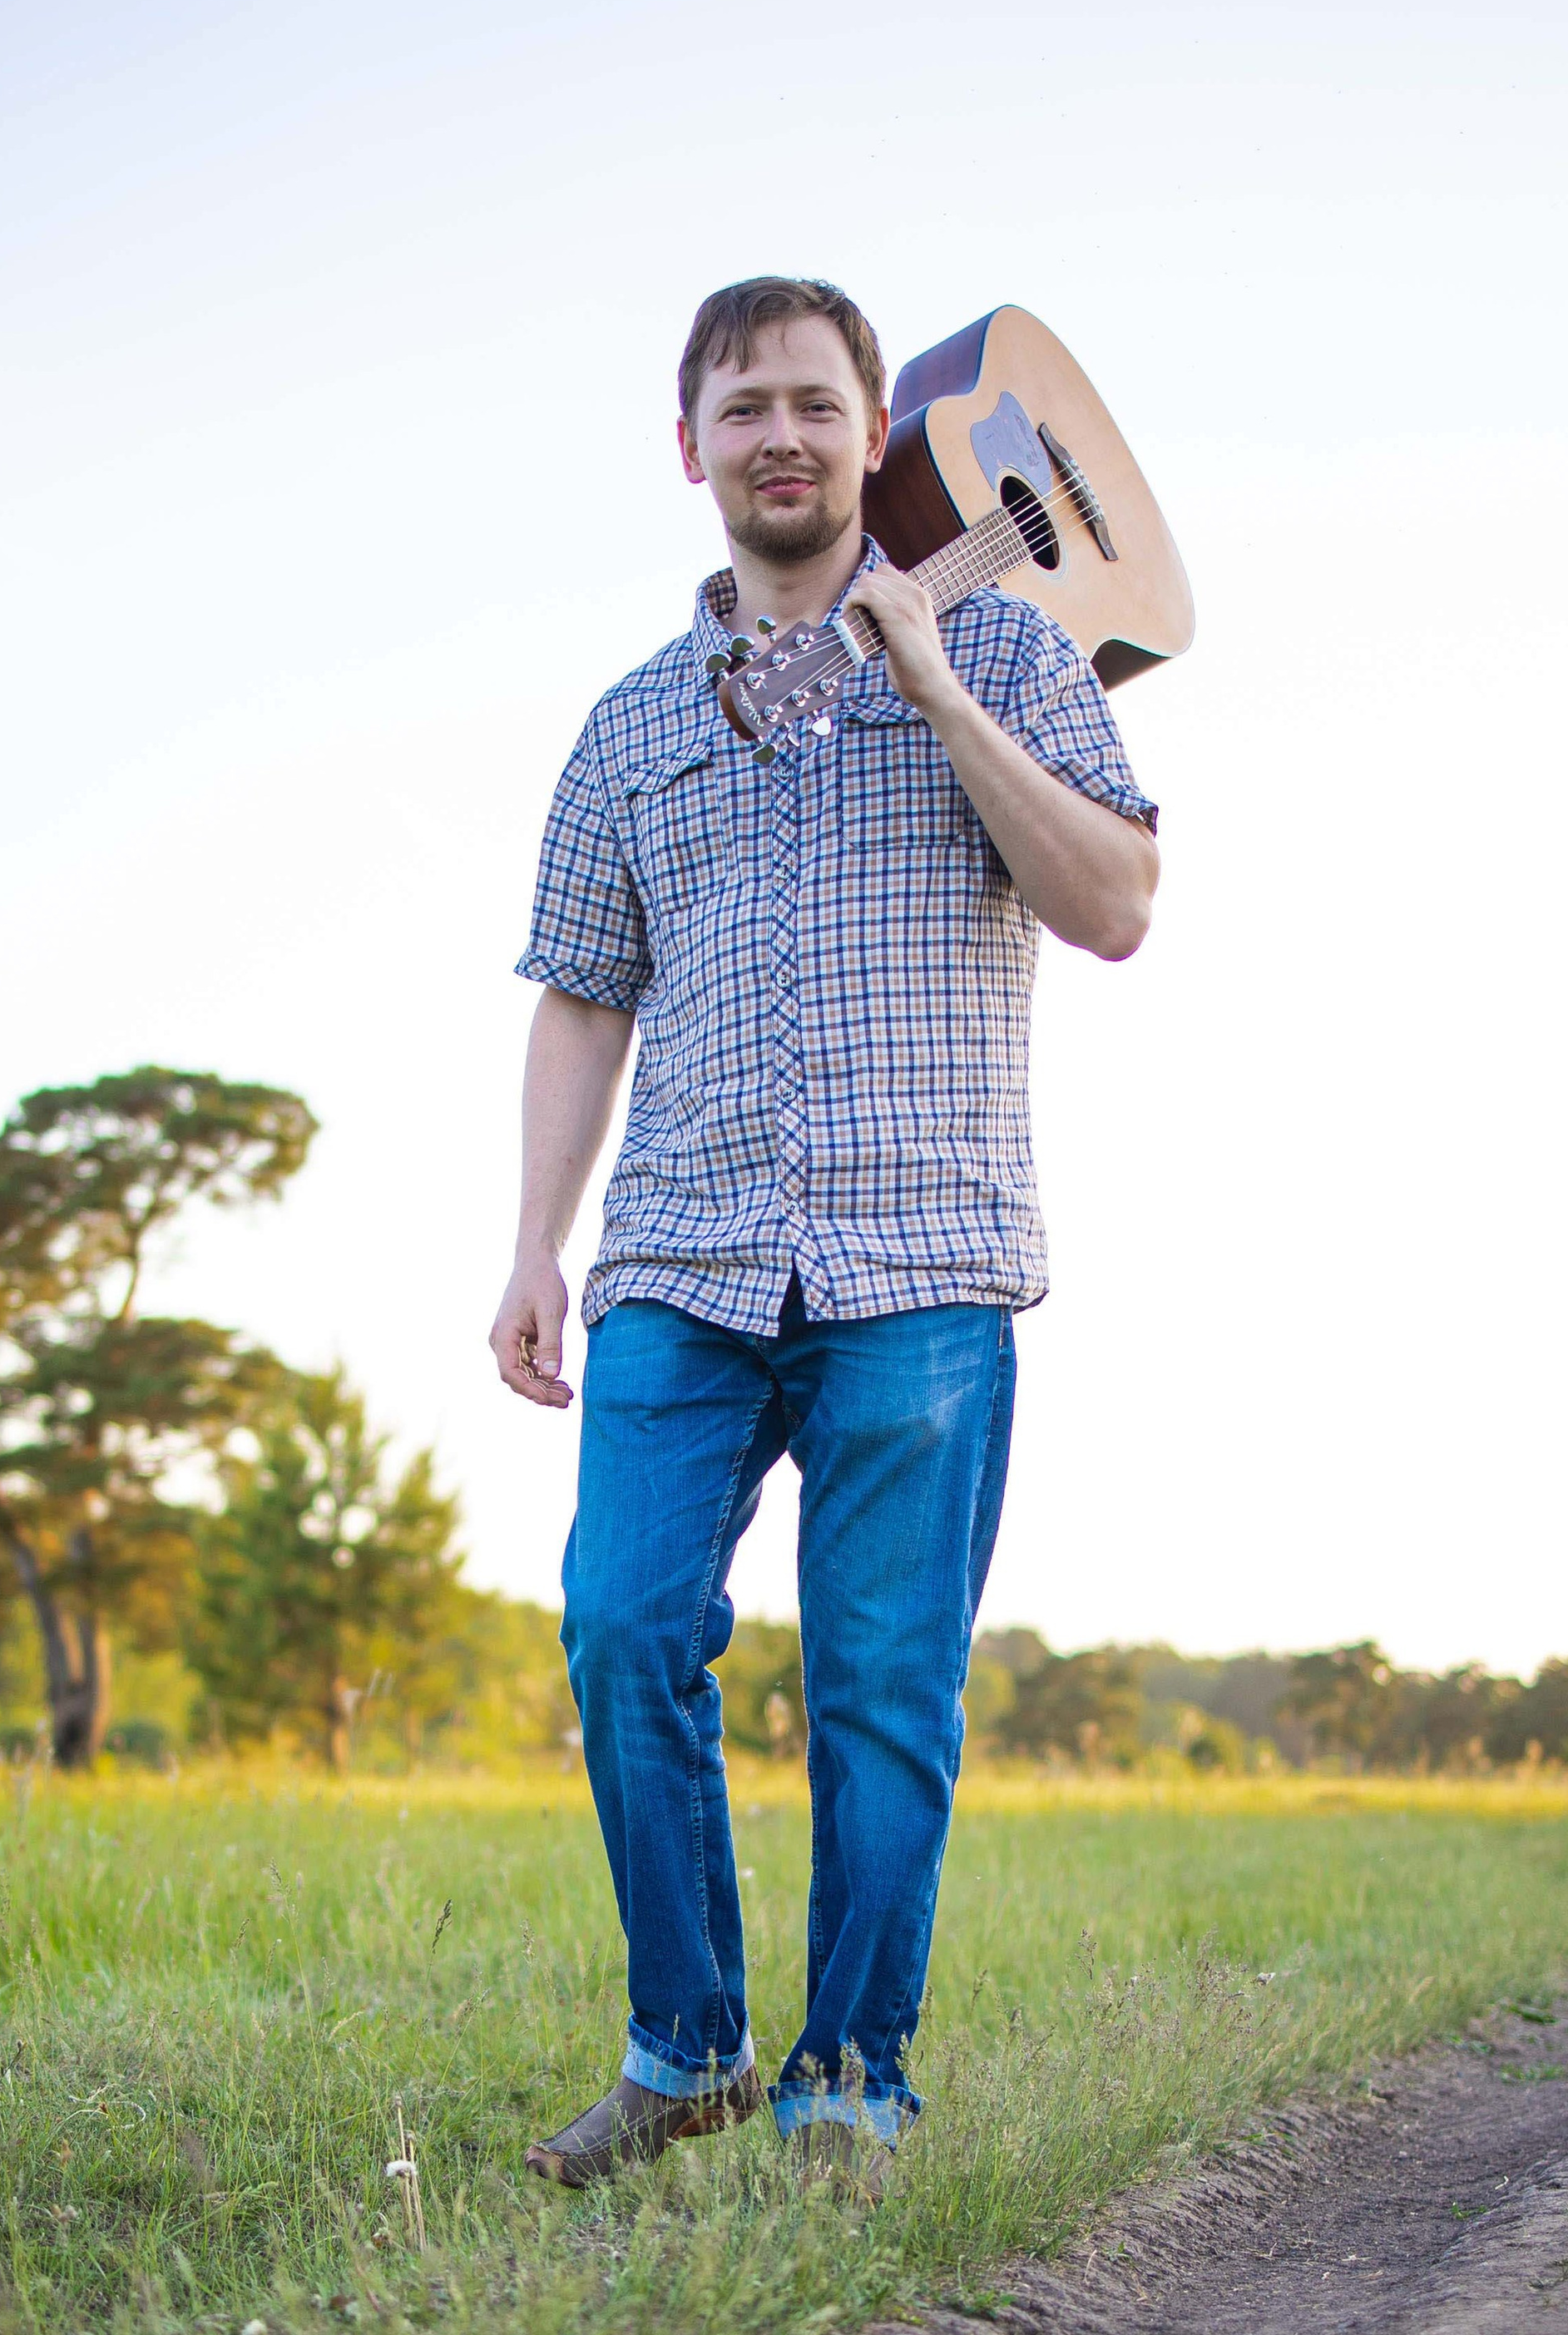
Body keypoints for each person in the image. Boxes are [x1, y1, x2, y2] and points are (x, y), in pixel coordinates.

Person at [491, 275, 1160, 2199]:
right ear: (688, 450)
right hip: (678, 1261)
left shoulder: (1013, 655)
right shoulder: (627, 727)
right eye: (738, 409)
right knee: (622, 1623)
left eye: (810, 402)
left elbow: (1113, 903)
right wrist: (533, 1245)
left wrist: (931, 682)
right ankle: (684, 2049)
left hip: (919, 1263)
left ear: (878, 433)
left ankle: (849, 2082)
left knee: (882, 1689)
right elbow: (577, 994)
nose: (775, 435)